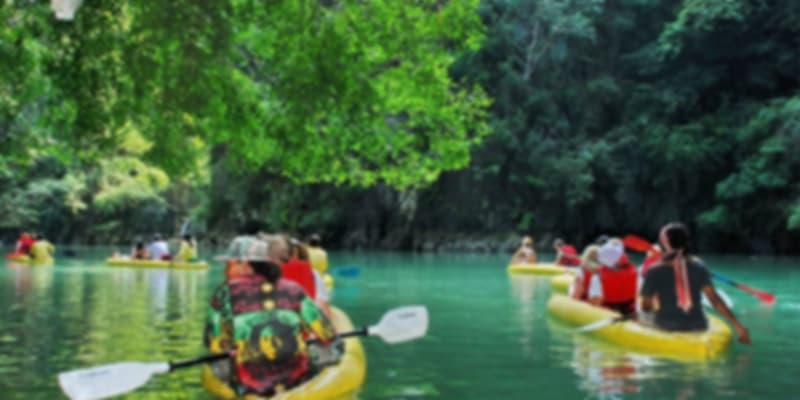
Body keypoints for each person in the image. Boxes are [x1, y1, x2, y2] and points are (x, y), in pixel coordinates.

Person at [205, 236, 342, 396]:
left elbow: (215, 344)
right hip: (297, 379)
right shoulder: (294, 289)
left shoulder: (223, 292)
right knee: (332, 348)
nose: (225, 271)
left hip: (252, 386)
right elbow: (327, 334)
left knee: (217, 362)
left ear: (245, 265)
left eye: (229, 265)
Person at [640, 223, 751, 344]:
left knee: (640, 314)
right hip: (699, 325)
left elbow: (646, 306)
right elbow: (715, 300)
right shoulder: (699, 266)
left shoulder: (654, 270)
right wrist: (738, 325)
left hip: (666, 326)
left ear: (663, 244)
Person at [587, 239, 638, 315]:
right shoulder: (634, 272)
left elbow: (595, 301)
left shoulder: (598, 277)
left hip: (607, 315)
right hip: (629, 314)